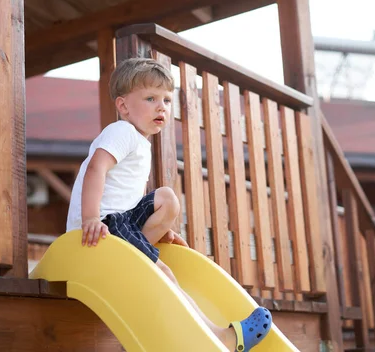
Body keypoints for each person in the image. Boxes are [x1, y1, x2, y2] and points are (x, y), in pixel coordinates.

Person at [66, 57, 271, 351]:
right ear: (123, 106)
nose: (161, 106)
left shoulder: (138, 141)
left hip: (120, 222)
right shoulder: (121, 132)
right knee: (162, 272)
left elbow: (129, 197)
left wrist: (158, 229)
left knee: (167, 199)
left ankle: (145, 245)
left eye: (166, 99)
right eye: (150, 98)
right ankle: (220, 336)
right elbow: (96, 169)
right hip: (103, 226)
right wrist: (89, 218)